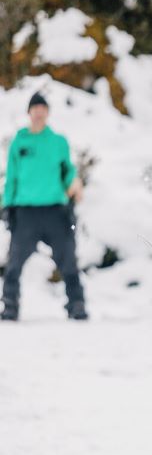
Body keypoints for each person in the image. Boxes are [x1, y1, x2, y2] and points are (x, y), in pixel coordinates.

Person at [1, 92, 87, 321]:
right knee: (15, 262)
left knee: (68, 259)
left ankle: (76, 303)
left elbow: (67, 171)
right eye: (35, 108)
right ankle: (10, 305)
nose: (39, 112)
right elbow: (11, 177)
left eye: (42, 108)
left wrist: (74, 184)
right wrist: (6, 206)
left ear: (47, 112)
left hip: (55, 211)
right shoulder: (19, 142)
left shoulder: (58, 142)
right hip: (25, 211)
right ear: (29, 112)